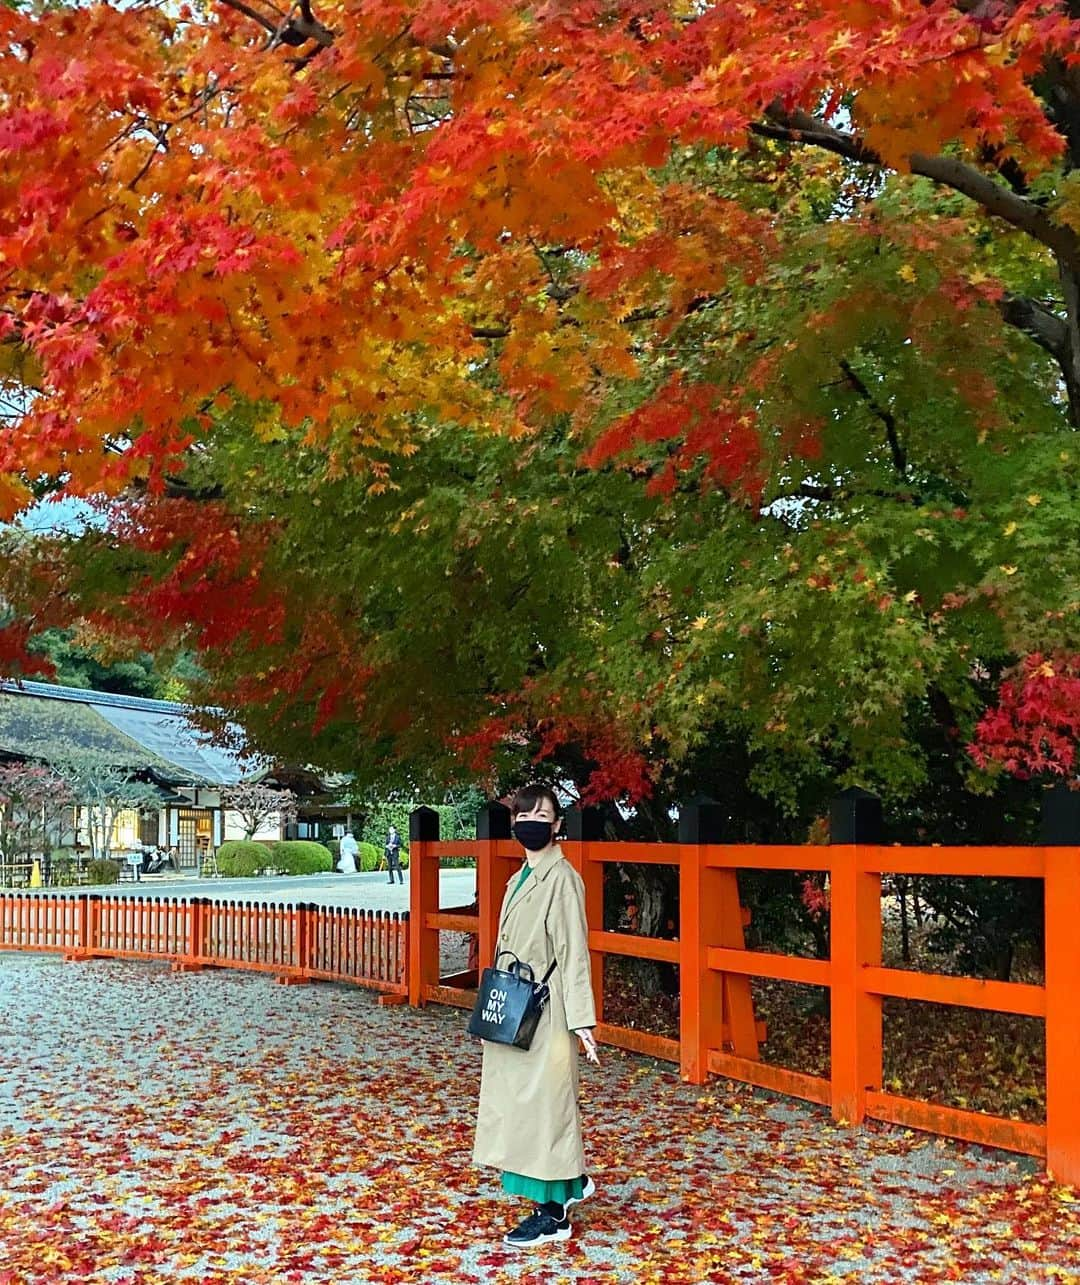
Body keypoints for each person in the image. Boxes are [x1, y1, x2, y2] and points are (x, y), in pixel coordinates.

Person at [473, 784, 599, 1249]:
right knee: (521, 1105)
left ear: (557, 824)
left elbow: (573, 952)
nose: (533, 823)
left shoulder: (562, 878)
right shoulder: (520, 876)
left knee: (545, 1107)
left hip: (548, 1008)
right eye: (526, 815)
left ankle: (554, 1211)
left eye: (543, 815)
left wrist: (582, 1020)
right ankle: (570, 1182)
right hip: (515, 1001)